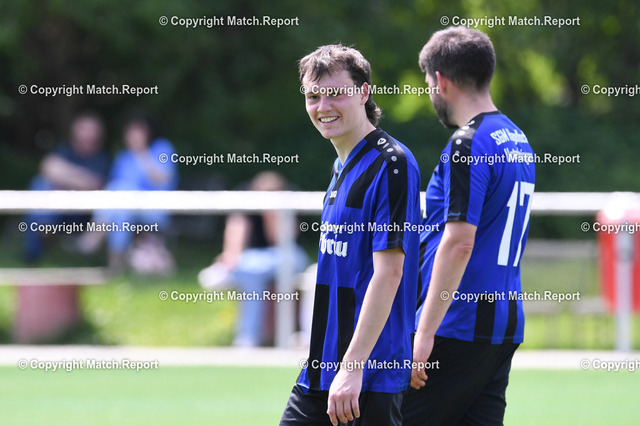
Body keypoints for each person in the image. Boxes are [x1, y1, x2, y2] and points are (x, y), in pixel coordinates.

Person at [280, 44, 421, 426]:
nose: (323, 106)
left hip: (367, 375)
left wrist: (353, 368)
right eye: (313, 96)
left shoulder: (392, 164)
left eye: (336, 93)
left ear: (363, 92)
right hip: (321, 368)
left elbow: (389, 272)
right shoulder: (340, 166)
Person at [401, 27, 536, 425]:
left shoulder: (468, 142)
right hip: (502, 323)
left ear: (441, 80)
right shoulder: (517, 138)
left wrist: (424, 332)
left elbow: (459, 242)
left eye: (428, 84)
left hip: (458, 321)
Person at [198, 170, 309, 347]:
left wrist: (271, 212)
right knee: (250, 275)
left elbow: (281, 239)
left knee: (253, 269)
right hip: (255, 260)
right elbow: (236, 231)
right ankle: (248, 338)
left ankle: (261, 337)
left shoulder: (290, 197)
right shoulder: (246, 197)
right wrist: (230, 257)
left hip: (289, 254)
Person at [81, 112, 178, 274]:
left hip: (155, 210)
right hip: (125, 208)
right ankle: (116, 266)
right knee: (121, 210)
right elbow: (112, 190)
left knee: (122, 194)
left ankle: (95, 237)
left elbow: (163, 180)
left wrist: (142, 153)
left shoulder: (162, 148)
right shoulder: (123, 157)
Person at [23, 112, 110, 263]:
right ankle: (41, 240)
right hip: (57, 209)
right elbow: (47, 167)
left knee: (42, 186)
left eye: (92, 129)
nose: (88, 134)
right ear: (75, 131)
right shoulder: (64, 149)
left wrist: (63, 176)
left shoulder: (102, 158)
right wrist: (80, 178)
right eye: (84, 128)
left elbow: (95, 184)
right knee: (40, 184)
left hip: (83, 214)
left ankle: (38, 252)